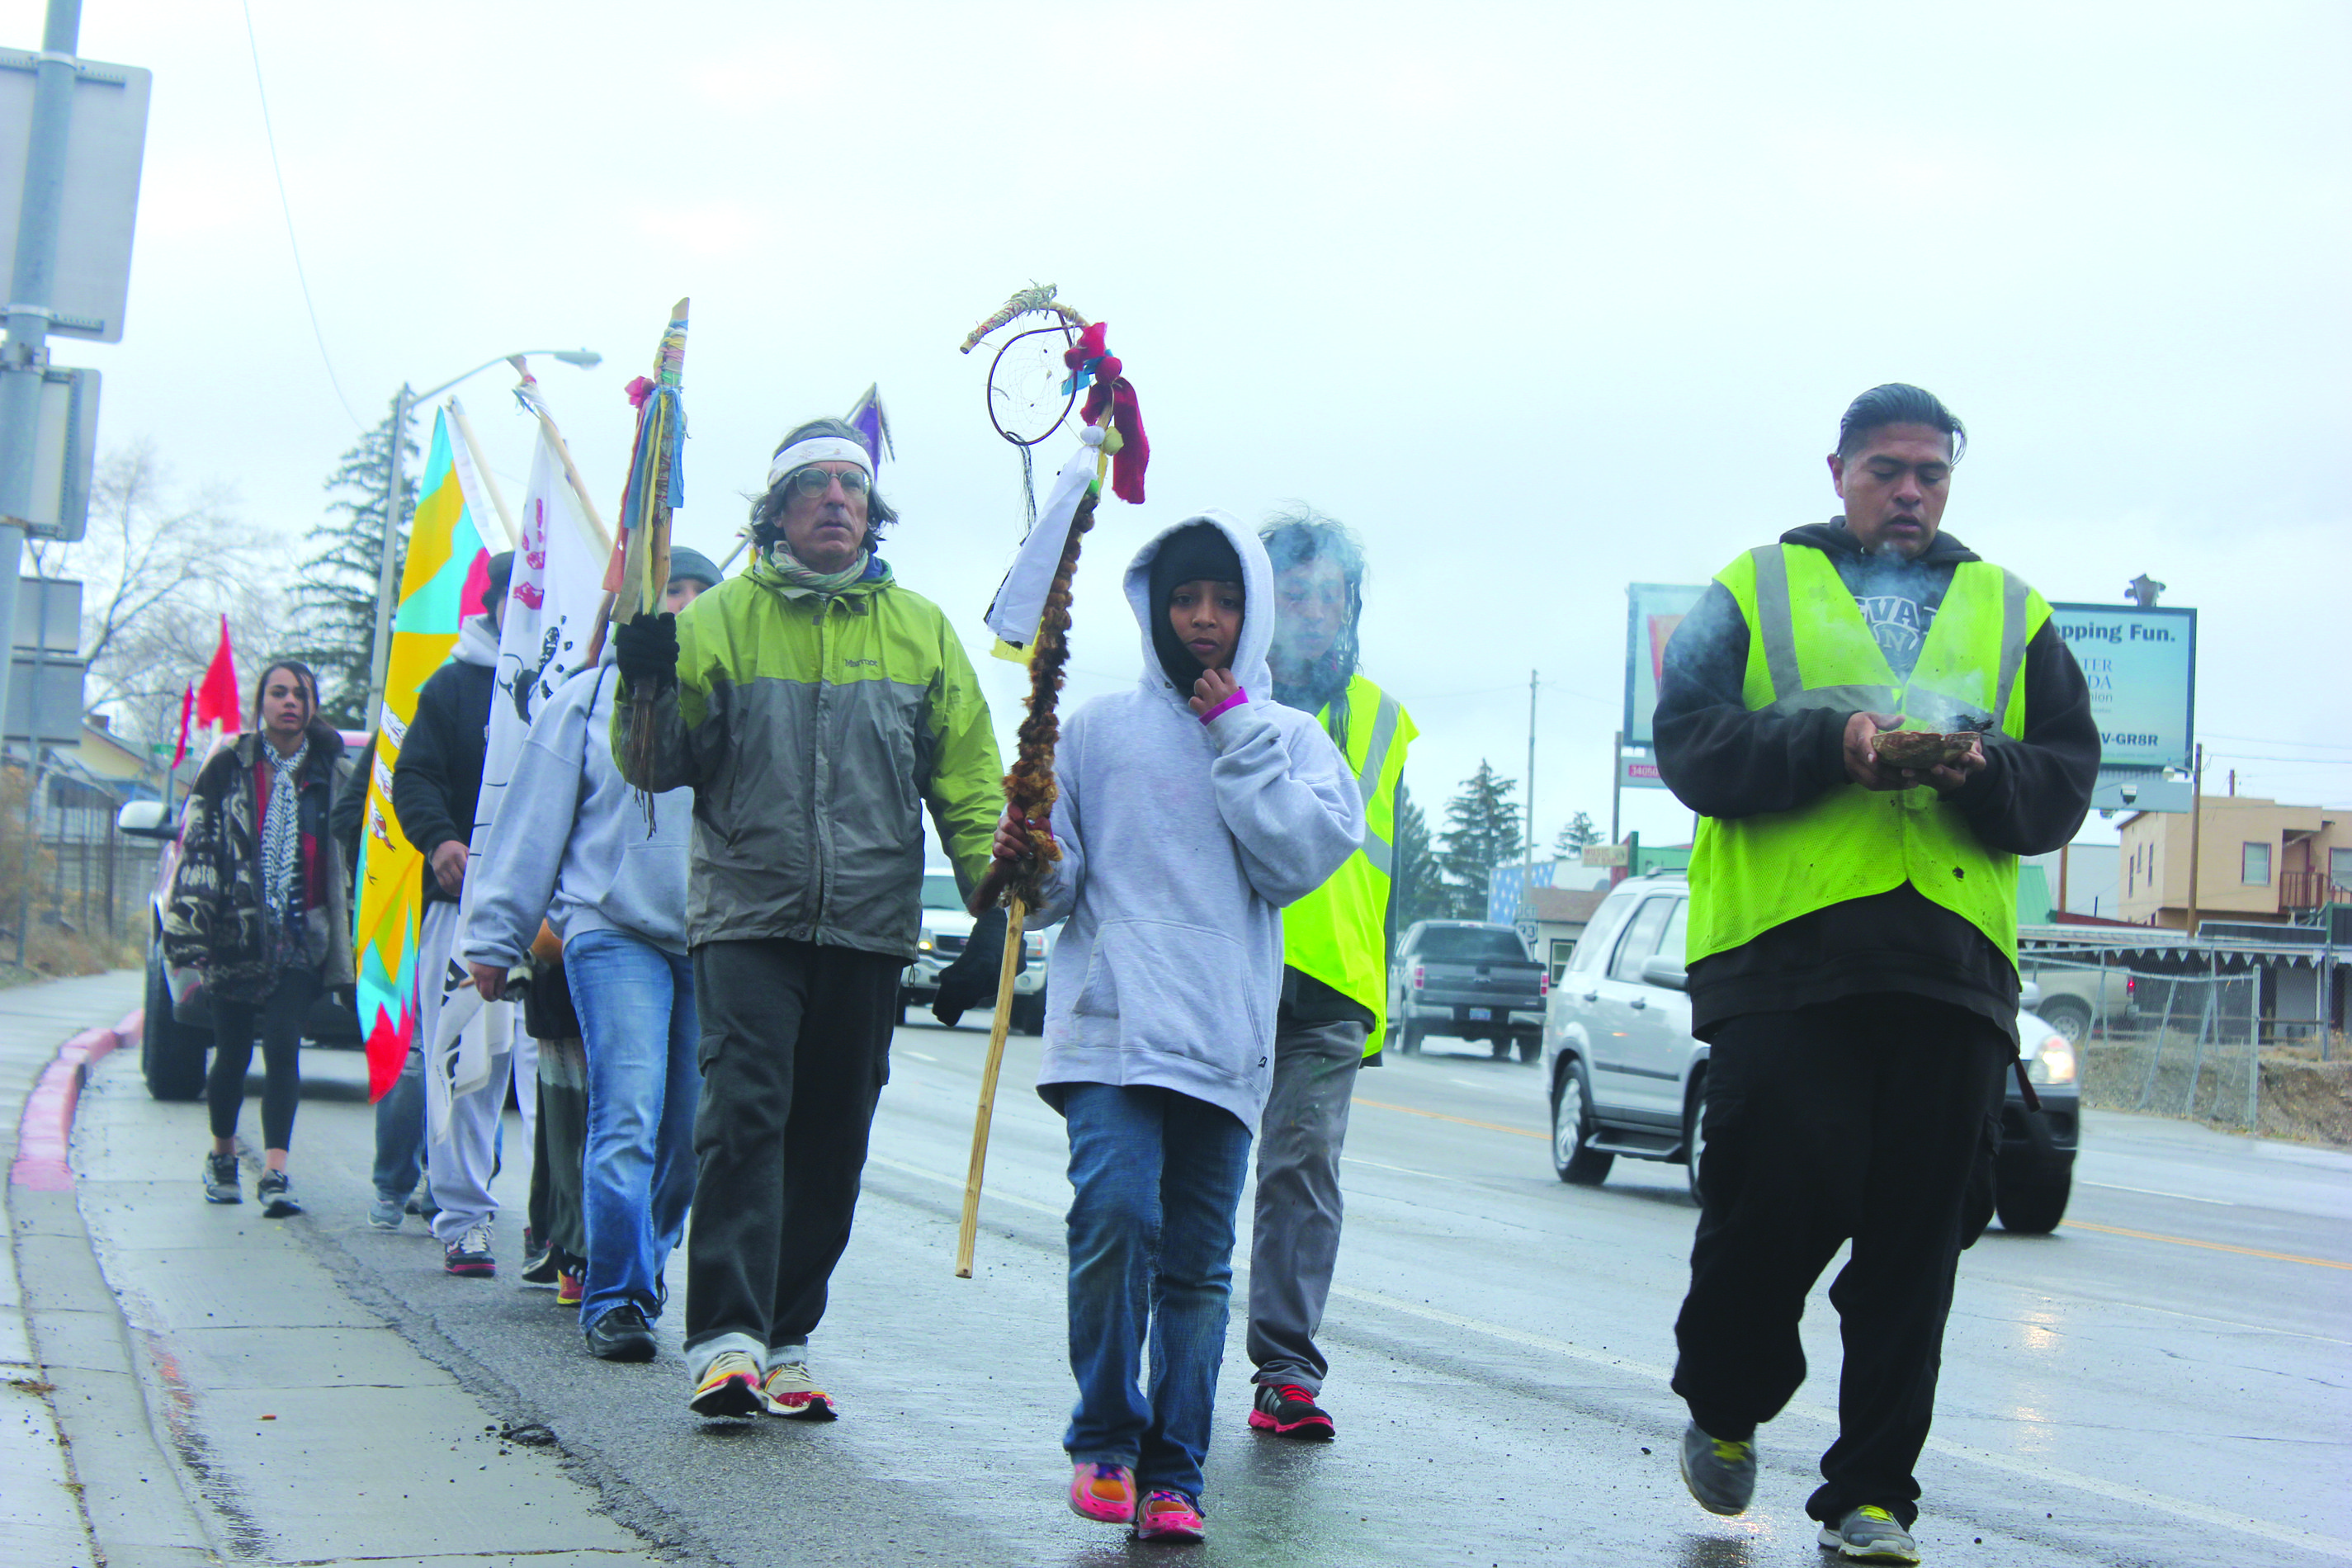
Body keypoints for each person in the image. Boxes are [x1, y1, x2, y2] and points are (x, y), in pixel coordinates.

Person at [1654, 385, 2098, 1564]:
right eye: (1884, 470)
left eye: (1929, 474)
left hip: (1950, 968)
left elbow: (2061, 781)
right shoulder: (1754, 588)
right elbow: (1689, 744)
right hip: (1787, 966)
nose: (1908, 493)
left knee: (1918, 1242)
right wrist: (1829, 745)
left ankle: (1871, 1497)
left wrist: (1978, 769)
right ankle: (1726, 1397)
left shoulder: (2011, 610)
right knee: (1768, 1204)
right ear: (1837, 470)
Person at [611, 418, 1004, 1420]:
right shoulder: (722, 620)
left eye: (853, 485)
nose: (838, 498)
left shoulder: (922, 629)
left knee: (832, 1137)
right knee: (743, 1119)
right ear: (777, 510)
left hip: (869, 925)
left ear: (873, 511)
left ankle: (788, 1340)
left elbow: (966, 782)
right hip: (748, 914)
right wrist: (645, 678)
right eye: (815, 484)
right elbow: (656, 765)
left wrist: (995, 906)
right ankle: (727, 1338)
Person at [999, 514, 1361, 1544]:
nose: (1203, 618)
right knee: (1114, 1217)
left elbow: (1293, 860)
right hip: (1110, 1029)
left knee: (1198, 1265)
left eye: (1224, 600)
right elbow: (1062, 885)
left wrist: (1238, 731)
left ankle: (1175, 1472)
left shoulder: (1290, 738)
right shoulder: (1096, 728)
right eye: (1184, 599)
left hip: (1223, 1040)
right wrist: (1031, 855)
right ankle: (1106, 1437)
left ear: (1251, 612)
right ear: (1154, 605)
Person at [465, 549, 720, 1361]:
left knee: (686, 1138)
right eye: (669, 590)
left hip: (710, 940)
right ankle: (614, 1296)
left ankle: (643, 1268)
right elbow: (530, 829)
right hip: (610, 933)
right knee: (629, 1117)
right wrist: (495, 939)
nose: (682, 605)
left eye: (699, 594)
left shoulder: (726, 703)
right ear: (634, 608)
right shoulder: (582, 705)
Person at [1243, 510, 1415, 1441]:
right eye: (1294, 593)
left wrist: (1377, 988)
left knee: (1302, 1170)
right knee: (1194, 1173)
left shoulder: (1385, 716)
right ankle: (1164, 1355)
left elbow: (1392, 871)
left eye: (1330, 596)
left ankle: (1287, 1369)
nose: (1313, 613)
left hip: (1331, 985)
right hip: (1228, 964)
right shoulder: (1218, 697)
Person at [164, 659, 352, 1217]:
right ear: (261, 703)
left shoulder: (331, 773)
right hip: (235, 935)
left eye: (300, 694)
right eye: (278, 692)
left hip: (301, 936)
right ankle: (223, 1157)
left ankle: (275, 1173)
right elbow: (196, 847)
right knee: (232, 1055)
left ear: (312, 706)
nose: (289, 702)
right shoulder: (227, 766)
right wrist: (191, 935)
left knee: (285, 1049)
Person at [391, 551, 519, 1277]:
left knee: (546, 1075)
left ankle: (560, 1230)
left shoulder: (564, 685)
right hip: (462, 907)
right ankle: (464, 1219)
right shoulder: (451, 687)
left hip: (552, 915)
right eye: (515, 597)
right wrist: (440, 839)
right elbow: (414, 776)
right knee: (464, 1063)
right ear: (494, 602)